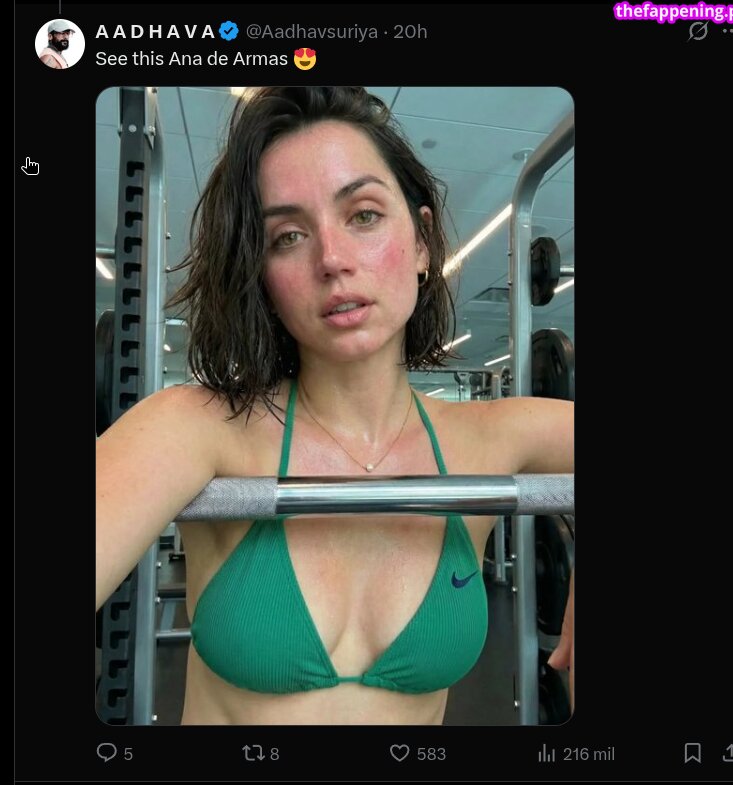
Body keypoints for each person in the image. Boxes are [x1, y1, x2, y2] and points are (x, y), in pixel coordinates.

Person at [96, 86, 574, 725]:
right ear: (262, 274)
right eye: (288, 236)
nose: (332, 260)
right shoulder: (196, 428)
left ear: (423, 241)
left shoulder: (487, 439)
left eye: (364, 215)